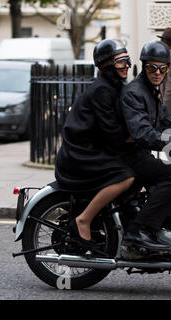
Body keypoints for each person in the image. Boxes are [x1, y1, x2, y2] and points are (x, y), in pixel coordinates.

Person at [55, 39, 136, 246]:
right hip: (81, 154)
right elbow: (113, 133)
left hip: (95, 148)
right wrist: (140, 136)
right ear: (106, 65)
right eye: (120, 62)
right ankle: (84, 219)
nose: (126, 66)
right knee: (125, 177)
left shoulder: (114, 86)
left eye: (127, 60)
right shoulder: (102, 89)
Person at [120, 40, 171, 250]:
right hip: (130, 155)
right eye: (152, 68)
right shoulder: (134, 92)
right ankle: (139, 230)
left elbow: (167, 121)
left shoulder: (152, 91)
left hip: (140, 154)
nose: (157, 73)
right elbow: (143, 134)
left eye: (162, 69)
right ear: (144, 66)